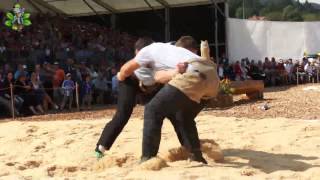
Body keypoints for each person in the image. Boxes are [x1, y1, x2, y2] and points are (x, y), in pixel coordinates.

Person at [96, 36, 208, 163]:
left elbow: (177, 57)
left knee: (175, 113)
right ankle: (101, 148)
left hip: (154, 85)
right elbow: (124, 71)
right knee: (122, 114)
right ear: (137, 53)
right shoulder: (140, 58)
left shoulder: (165, 52)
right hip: (131, 82)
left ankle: (191, 150)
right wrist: (121, 77)